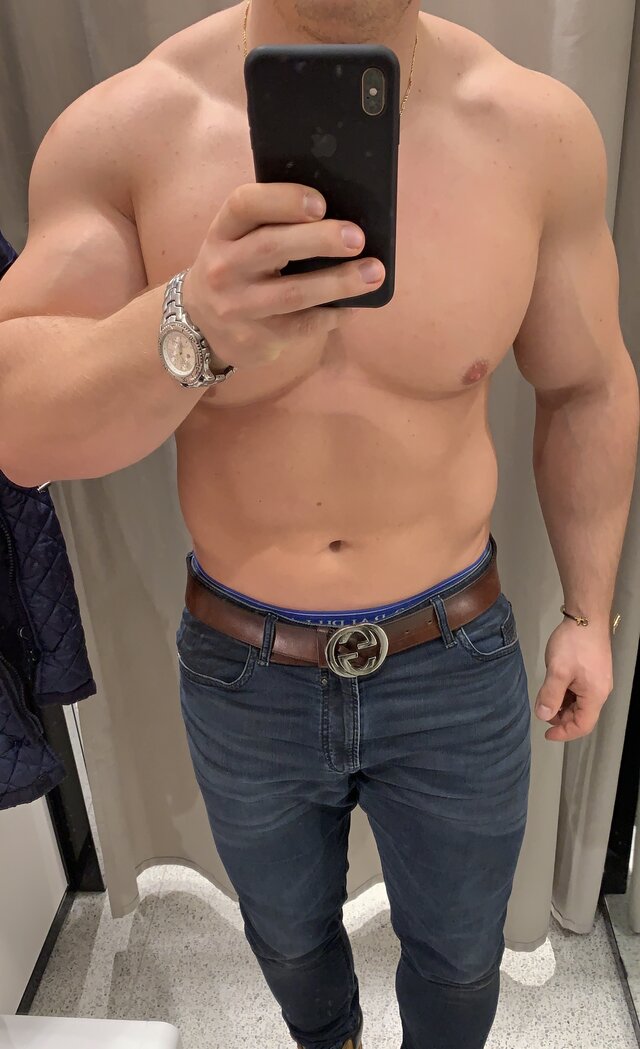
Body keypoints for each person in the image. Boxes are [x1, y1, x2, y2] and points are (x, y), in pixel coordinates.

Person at [0, 1, 638, 1046]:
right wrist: (191, 321)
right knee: (291, 946)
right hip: (245, 669)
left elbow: (589, 385)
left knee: (460, 958)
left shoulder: (534, 132)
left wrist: (588, 611)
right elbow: (15, 423)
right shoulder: (131, 131)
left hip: (454, 655)